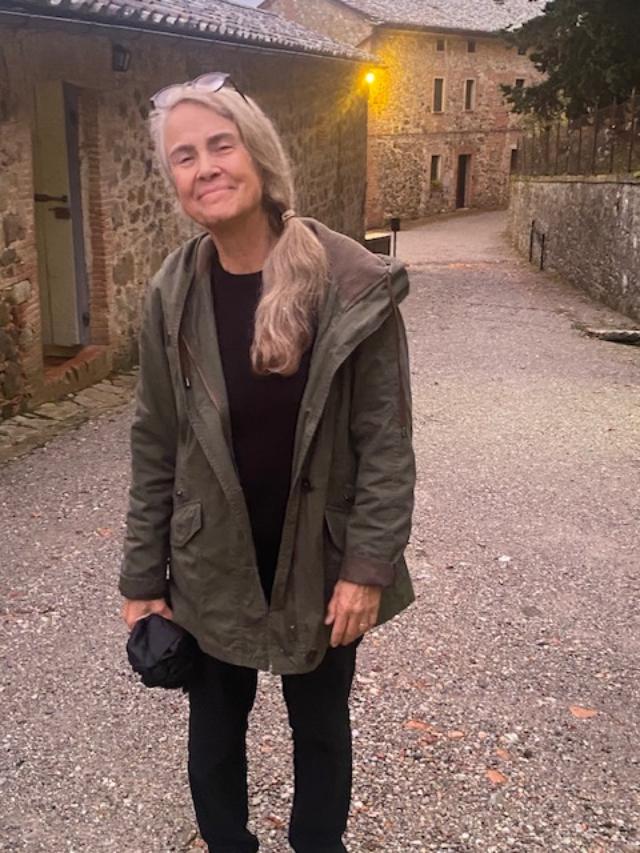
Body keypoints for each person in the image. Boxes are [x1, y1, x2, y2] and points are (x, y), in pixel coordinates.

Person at [119, 71, 416, 853]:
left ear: (258, 155)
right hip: (211, 560)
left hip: (320, 557)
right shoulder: (172, 293)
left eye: (220, 145)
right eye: (184, 156)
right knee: (215, 731)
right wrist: (143, 579)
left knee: (320, 725)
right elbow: (155, 442)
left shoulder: (350, 282)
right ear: (174, 181)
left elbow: (385, 443)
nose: (205, 168)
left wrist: (367, 567)